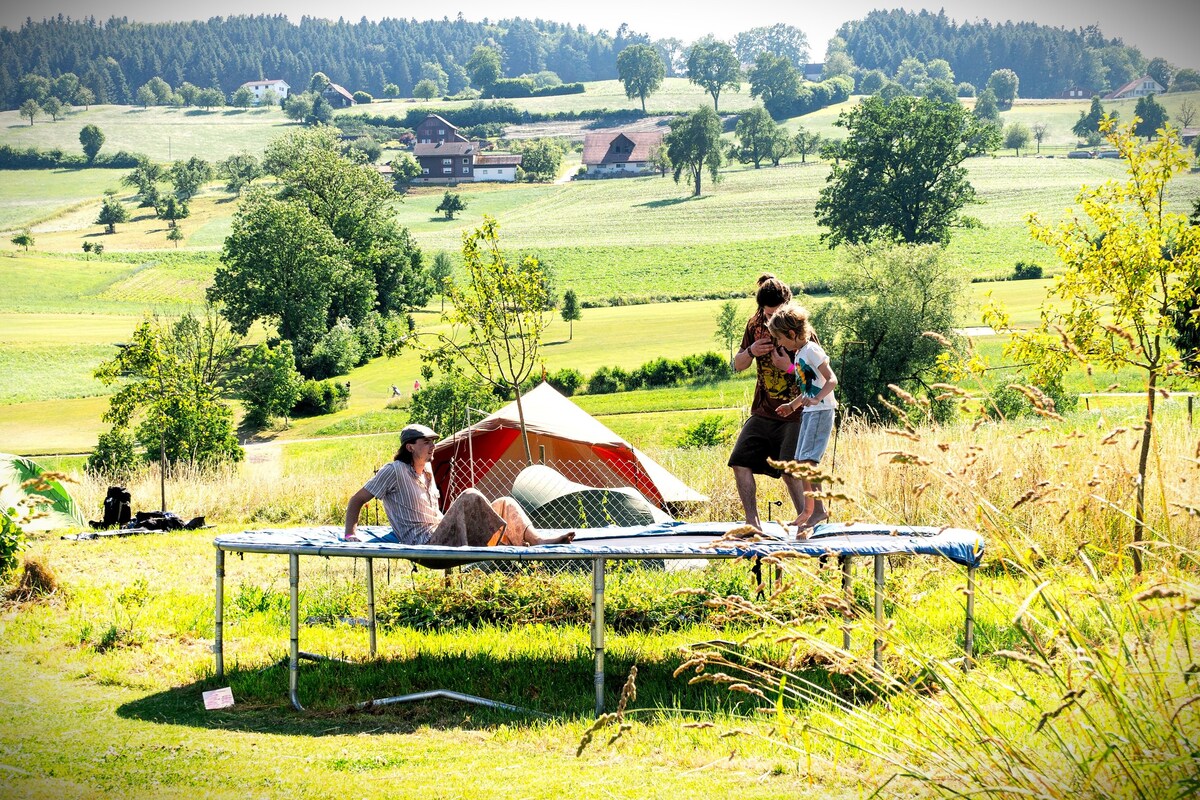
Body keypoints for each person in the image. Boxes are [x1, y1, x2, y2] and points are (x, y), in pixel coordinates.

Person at [344, 424, 575, 547]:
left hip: (443, 531)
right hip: (423, 541)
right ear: (410, 447)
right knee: (469, 495)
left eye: (433, 442)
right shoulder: (393, 471)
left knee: (506, 502)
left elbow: (437, 513)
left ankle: (537, 540)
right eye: (426, 443)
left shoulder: (427, 469)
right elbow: (357, 500)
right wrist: (350, 535)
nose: (432, 446)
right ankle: (498, 542)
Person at [727, 274, 819, 533]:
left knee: (790, 471)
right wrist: (751, 351)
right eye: (767, 314)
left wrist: (788, 367)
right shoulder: (754, 324)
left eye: (775, 314)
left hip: (796, 410)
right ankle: (752, 525)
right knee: (739, 461)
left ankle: (807, 524)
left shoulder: (801, 330)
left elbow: (819, 376)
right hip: (764, 409)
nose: (770, 320)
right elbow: (737, 365)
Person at [767, 302, 838, 534]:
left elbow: (832, 380)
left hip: (821, 412)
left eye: (780, 339)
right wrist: (792, 405)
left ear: (791, 333)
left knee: (808, 462)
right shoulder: (799, 354)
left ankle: (816, 510)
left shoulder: (812, 351)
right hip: (809, 412)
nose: (779, 344)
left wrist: (817, 399)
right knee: (800, 463)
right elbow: (807, 386)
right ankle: (810, 510)